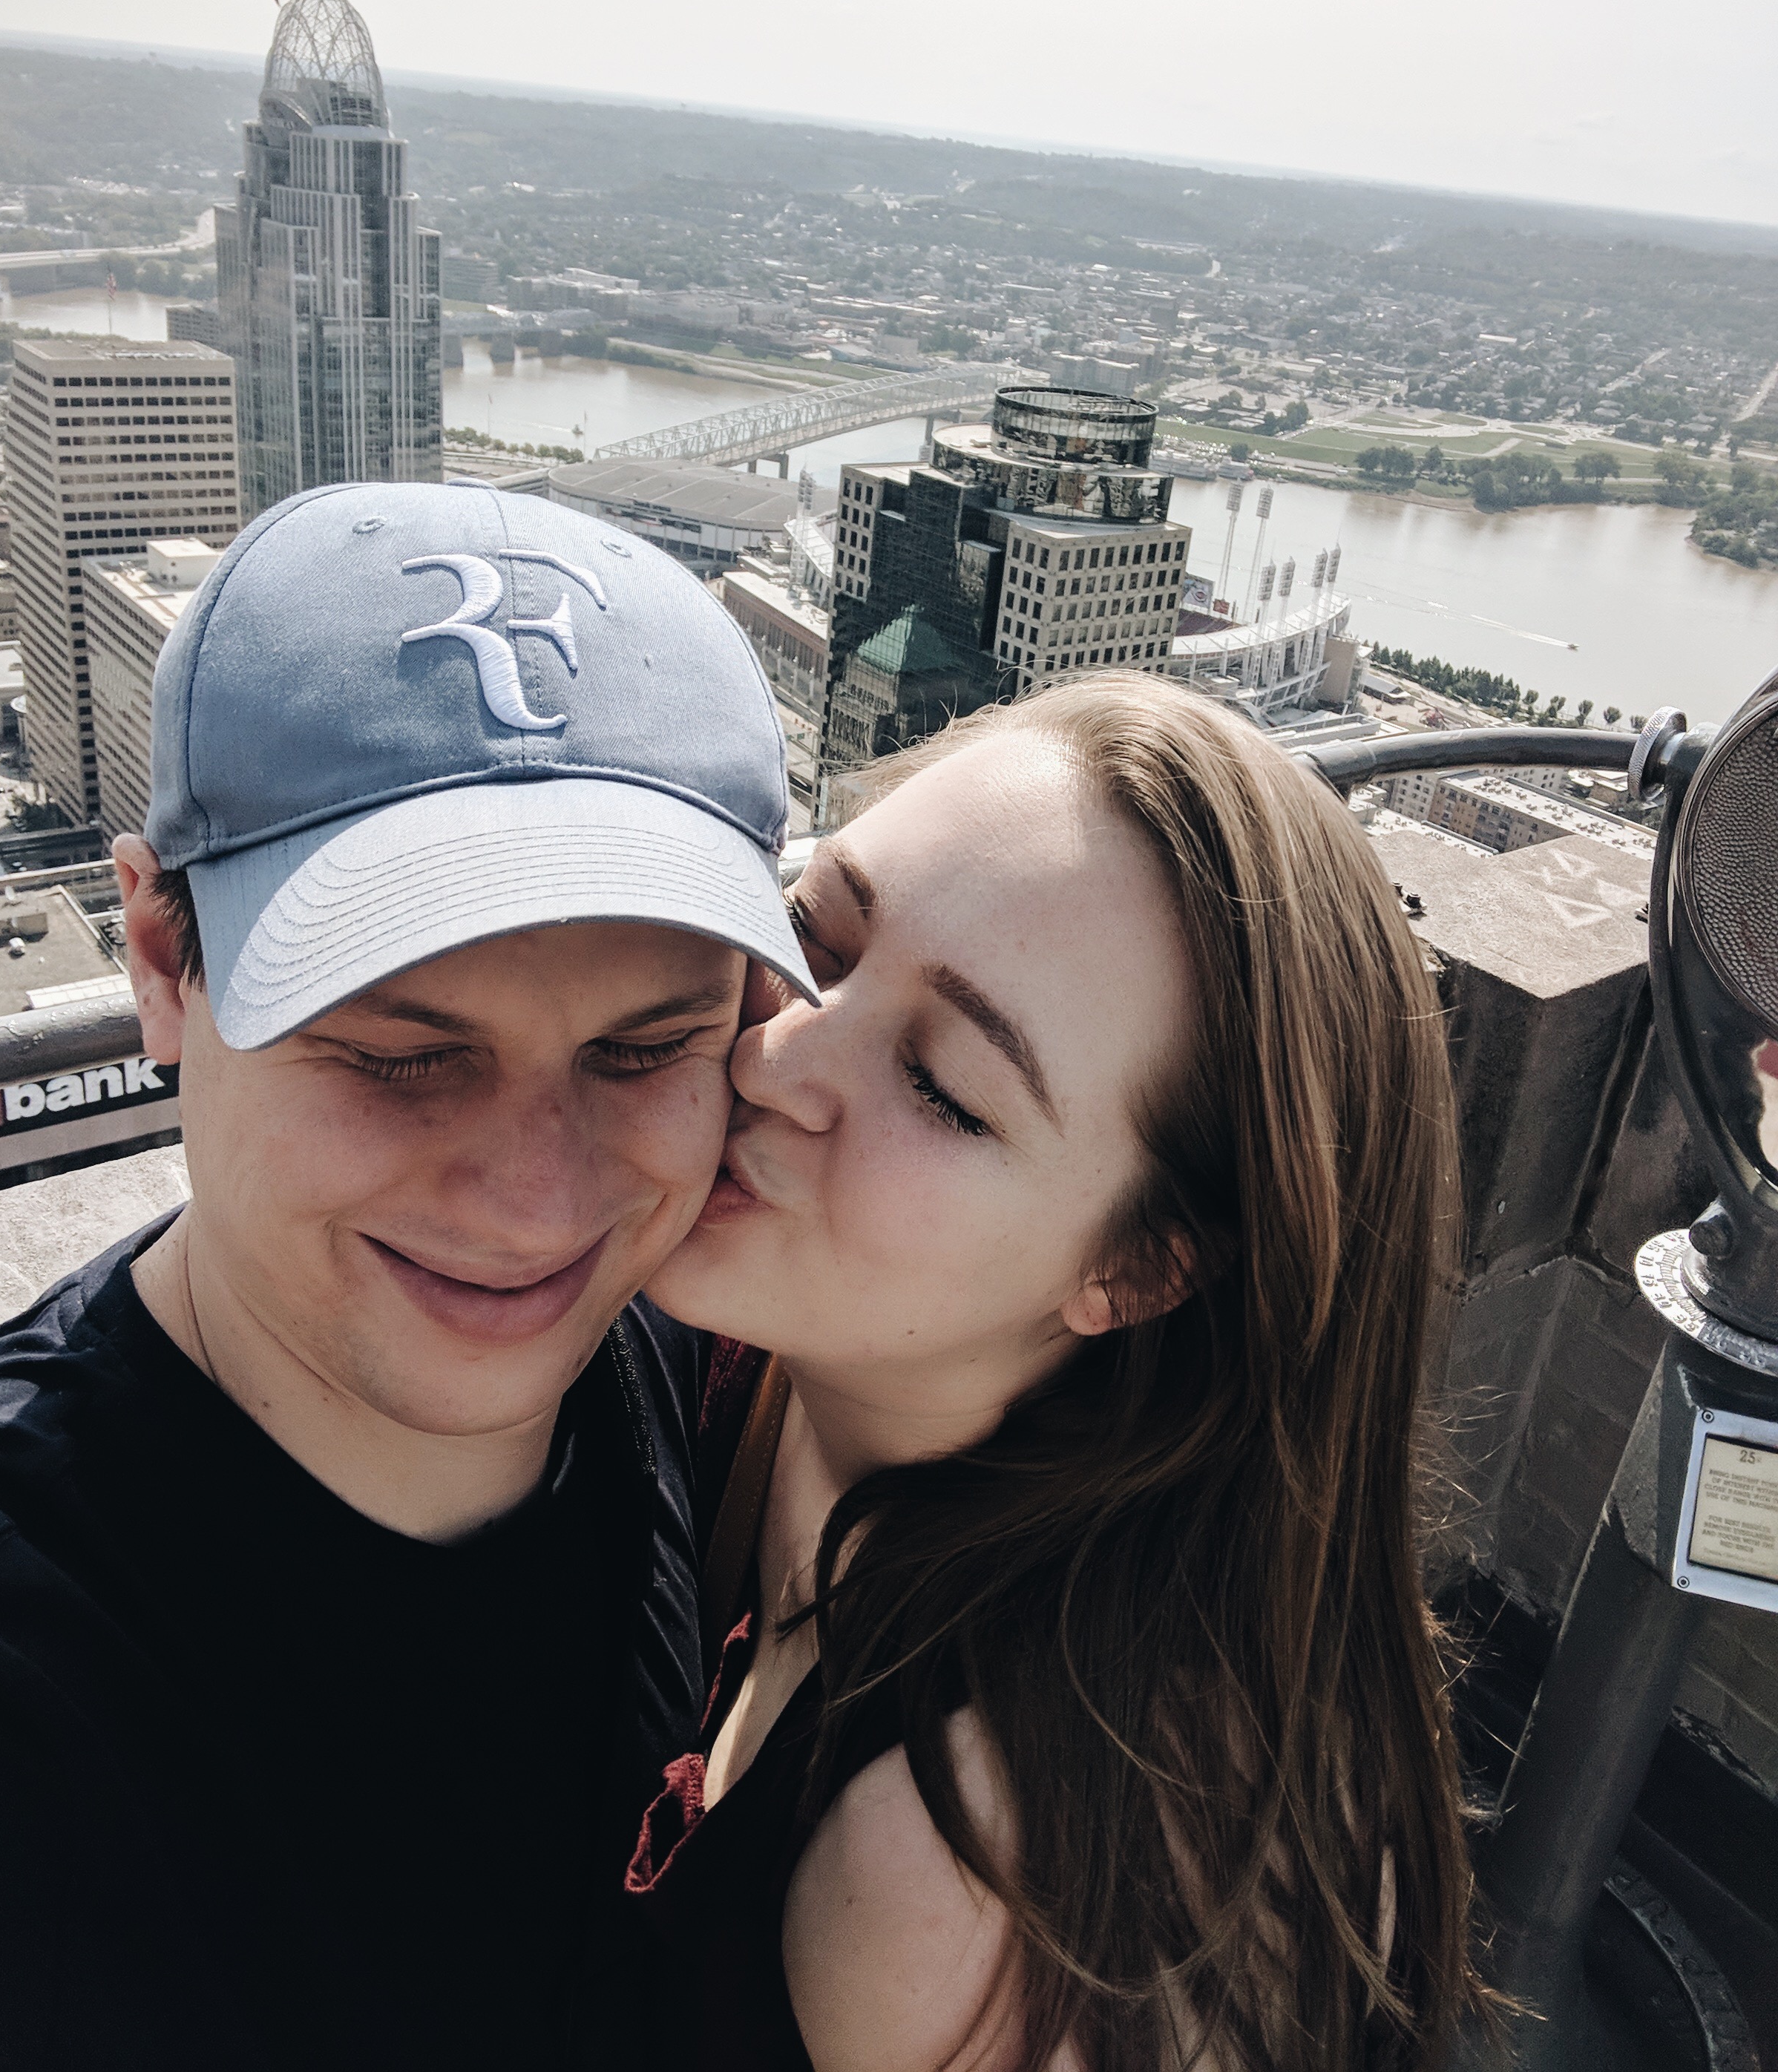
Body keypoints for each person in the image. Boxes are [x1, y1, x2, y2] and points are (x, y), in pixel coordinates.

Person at [0, 479, 816, 2071]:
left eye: (644, 1049)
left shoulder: (682, 1366)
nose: (539, 1204)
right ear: (163, 962)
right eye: (403, 1057)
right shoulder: (13, 1707)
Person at [629, 675, 1485, 2072]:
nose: (775, 1055)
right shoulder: (755, 1356)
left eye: (944, 1088)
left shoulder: (995, 1888)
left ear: (1138, 1269)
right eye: (817, 936)